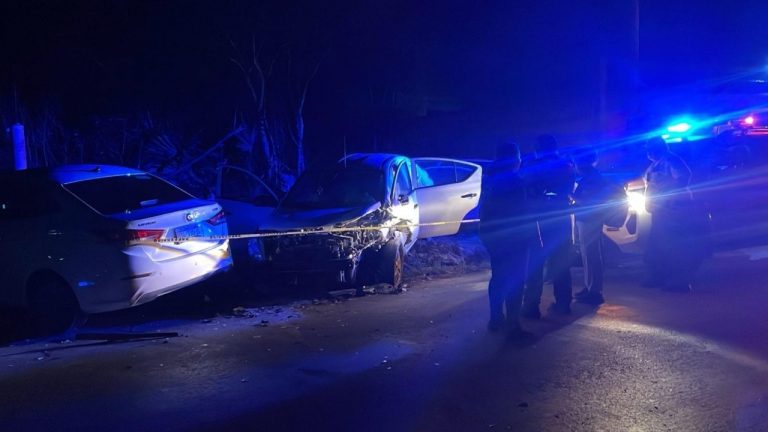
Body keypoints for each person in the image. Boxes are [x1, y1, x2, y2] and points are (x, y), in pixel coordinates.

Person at [479, 142, 537, 335]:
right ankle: (513, 325)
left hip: (493, 234)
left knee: (498, 277)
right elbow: (522, 210)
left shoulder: (488, 177)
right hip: (514, 237)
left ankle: (495, 319)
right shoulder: (516, 181)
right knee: (515, 279)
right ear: (515, 159)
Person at [522, 135, 576, 317]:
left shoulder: (535, 167)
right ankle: (563, 303)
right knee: (561, 262)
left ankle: (531, 308)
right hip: (560, 217)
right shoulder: (566, 165)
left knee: (535, 264)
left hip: (539, 219)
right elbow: (568, 190)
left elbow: (529, 191)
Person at [642, 137, 705, 292]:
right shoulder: (655, 165)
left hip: (672, 210)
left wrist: (668, 199)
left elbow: (683, 179)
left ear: (659, 148)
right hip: (659, 210)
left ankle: (679, 282)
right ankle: (659, 277)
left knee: (674, 247)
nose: (648, 152)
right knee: (657, 246)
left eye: (651, 148)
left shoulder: (672, 161)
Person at [571, 147, 609, 305]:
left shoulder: (591, 179)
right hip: (588, 219)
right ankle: (590, 287)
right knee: (588, 255)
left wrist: (569, 195)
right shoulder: (590, 177)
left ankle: (594, 291)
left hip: (589, 219)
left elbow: (586, 201)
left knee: (591, 255)